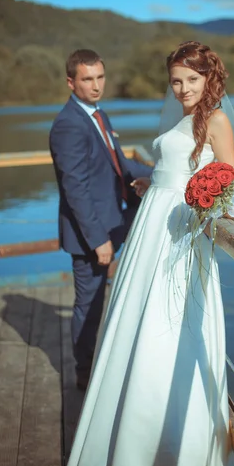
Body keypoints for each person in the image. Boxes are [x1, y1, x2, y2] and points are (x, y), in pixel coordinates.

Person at [66, 42, 234, 466]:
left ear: (210, 79)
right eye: (176, 81)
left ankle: (172, 458)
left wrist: (220, 212)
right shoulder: (185, 121)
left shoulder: (218, 120)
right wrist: (154, 182)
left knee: (169, 335)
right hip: (151, 234)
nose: (183, 88)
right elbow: (176, 170)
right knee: (135, 331)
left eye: (191, 79)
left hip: (178, 238)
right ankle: (127, 444)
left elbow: (232, 179)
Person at [49, 49, 152, 391]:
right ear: (71, 82)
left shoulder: (98, 115)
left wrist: (164, 175)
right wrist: (97, 239)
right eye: (87, 79)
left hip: (115, 218)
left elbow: (121, 165)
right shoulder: (68, 125)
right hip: (91, 232)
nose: (96, 86)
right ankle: (85, 372)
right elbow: (75, 188)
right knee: (90, 304)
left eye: (100, 77)